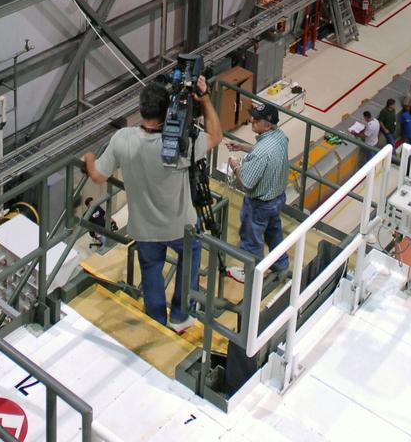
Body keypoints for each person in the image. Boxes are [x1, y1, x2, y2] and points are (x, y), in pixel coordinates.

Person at [82, 73, 221, 331]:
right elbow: (215, 135)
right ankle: (181, 315)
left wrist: (90, 157)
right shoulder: (180, 145)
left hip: (144, 228)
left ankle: (156, 322)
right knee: (190, 258)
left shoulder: (122, 139)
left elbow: (98, 175)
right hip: (181, 226)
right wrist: (206, 100)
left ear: (141, 109)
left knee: (151, 275)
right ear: (167, 110)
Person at [226, 101, 290, 283]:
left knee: (251, 239)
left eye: (257, 119)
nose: (252, 120)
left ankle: (252, 275)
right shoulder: (280, 136)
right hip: (277, 198)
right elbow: (262, 151)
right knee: (273, 231)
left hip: (259, 205)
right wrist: (241, 147)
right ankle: (281, 264)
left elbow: (246, 182)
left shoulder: (261, 151)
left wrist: (236, 166)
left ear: (268, 123)